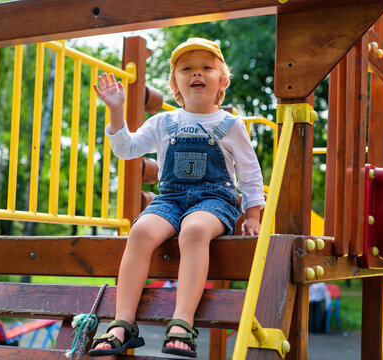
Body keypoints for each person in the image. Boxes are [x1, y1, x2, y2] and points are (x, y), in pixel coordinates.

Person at [88, 38, 265, 358]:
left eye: (206, 68)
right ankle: (122, 324)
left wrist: (253, 215)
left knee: (194, 230)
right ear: (175, 83)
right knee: (140, 232)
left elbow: (250, 174)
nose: (196, 73)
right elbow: (126, 149)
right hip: (170, 198)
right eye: (187, 68)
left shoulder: (229, 124)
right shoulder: (163, 122)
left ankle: (182, 321)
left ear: (222, 80)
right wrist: (116, 111)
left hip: (215, 200)